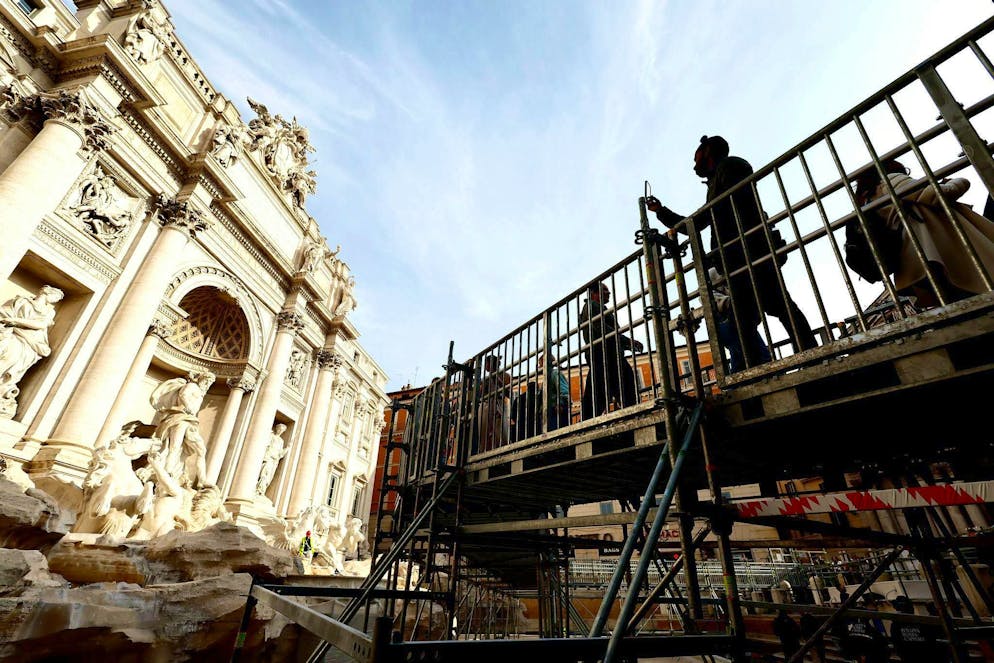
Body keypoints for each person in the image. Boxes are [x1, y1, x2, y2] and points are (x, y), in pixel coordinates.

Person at [646, 135, 817, 369]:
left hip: (748, 252)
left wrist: (664, 213)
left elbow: (703, 218)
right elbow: (704, 218)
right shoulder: (722, 174)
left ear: (707, 151)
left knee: (776, 308)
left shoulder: (729, 167)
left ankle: (807, 357)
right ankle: (773, 365)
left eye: (696, 157)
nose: (693, 164)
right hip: (739, 255)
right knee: (755, 317)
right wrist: (662, 212)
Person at [854, 158, 994, 308]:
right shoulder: (889, 181)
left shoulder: (868, 200)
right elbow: (940, 194)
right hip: (932, 252)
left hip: (912, 262)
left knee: (964, 305)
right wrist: (958, 181)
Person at [579, 282, 643, 419]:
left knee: (600, 393)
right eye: (605, 290)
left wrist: (626, 343)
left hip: (604, 355)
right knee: (620, 387)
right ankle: (633, 415)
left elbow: (609, 331)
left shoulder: (597, 307)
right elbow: (603, 329)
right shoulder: (592, 306)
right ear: (593, 294)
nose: (609, 293)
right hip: (606, 355)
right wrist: (628, 342)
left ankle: (586, 424)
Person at [890, 596, 944, 663]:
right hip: (926, 656)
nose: (912, 609)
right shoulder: (920, 624)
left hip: (909, 657)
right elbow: (936, 632)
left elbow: (897, 644)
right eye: (910, 607)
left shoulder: (895, 625)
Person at [477, 355, 510, 451]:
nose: (485, 367)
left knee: (500, 431)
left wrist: (497, 379)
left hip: (499, 403)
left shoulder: (505, 375)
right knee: (484, 432)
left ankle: (502, 450)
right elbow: (480, 395)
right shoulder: (485, 379)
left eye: (486, 363)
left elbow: (509, 393)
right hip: (486, 406)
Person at [538, 351, 571, 431]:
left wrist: (560, 404)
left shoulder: (555, 373)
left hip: (556, 410)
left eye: (541, 363)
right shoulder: (547, 378)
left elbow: (564, 390)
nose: (539, 366)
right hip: (549, 412)